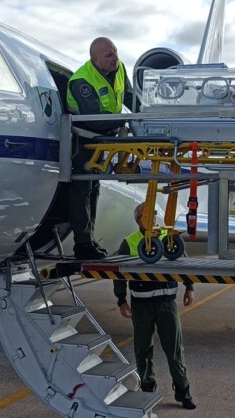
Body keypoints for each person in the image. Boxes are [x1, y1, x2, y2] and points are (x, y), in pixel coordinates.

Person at [114, 203, 197, 410]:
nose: (152, 218)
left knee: (174, 349)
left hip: (166, 303)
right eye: (146, 215)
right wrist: (121, 300)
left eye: (154, 214)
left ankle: (182, 390)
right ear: (138, 219)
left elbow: (183, 264)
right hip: (141, 305)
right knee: (143, 349)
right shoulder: (130, 243)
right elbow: (119, 273)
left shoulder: (166, 238)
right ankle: (147, 388)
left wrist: (189, 287)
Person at [66, 37, 131, 260]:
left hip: (102, 141)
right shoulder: (82, 81)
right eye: (109, 55)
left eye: (115, 52)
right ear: (95, 59)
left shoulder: (119, 68)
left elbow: (131, 98)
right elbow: (95, 120)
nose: (115, 58)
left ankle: (89, 241)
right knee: (82, 191)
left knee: (93, 190)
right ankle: (82, 245)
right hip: (83, 141)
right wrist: (126, 119)